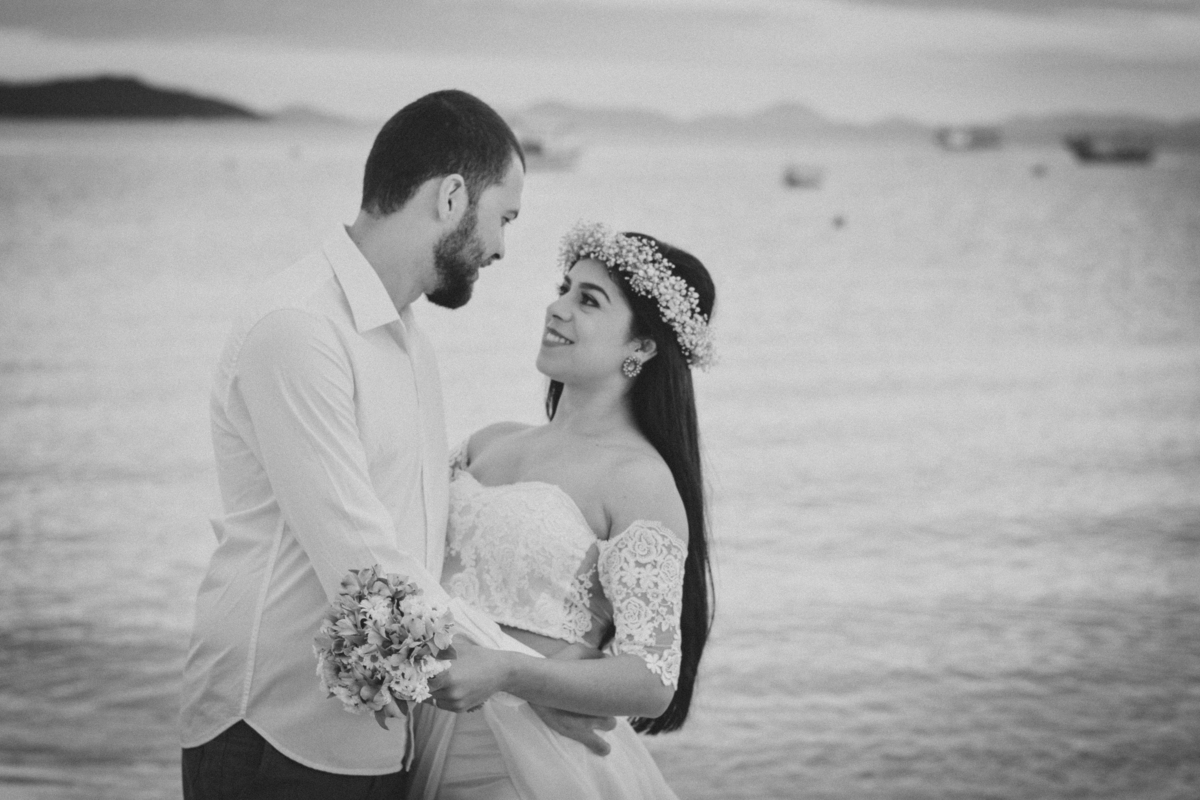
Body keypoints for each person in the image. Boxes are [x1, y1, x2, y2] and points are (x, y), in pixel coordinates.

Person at [179, 89, 608, 800]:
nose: (502, 248)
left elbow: (415, 539)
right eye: (503, 217)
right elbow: (362, 561)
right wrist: (528, 681)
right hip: (274, 733)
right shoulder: (300, 327)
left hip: (380, 736)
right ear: (451, 197)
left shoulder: (408, 341)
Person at [407, 221, 717, 799]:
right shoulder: (486, 443)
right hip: (413, 738)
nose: (558, 307)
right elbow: (395, 549)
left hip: (522, 768)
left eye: (589, 300)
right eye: (564, 289)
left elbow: (652, 680)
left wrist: (514, 674)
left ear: (642, 346)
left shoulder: (638, 480)